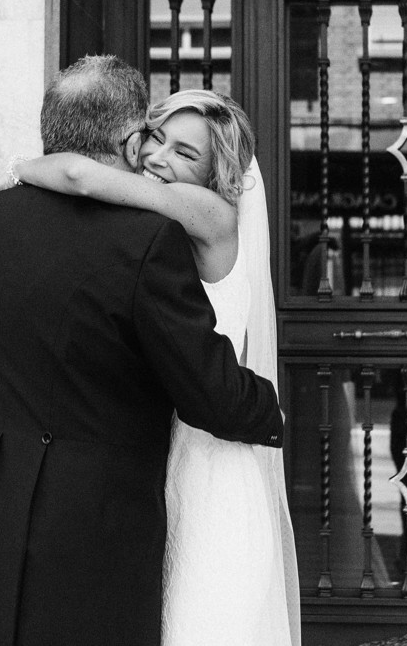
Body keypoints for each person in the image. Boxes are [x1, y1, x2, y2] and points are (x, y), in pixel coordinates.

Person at [0, 57, 284, 646]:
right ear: (133, 141)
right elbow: (209, 391)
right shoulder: (146, 242)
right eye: (156, 139)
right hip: (89, 555)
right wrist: (274, 410)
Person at [15, 88, 300, 645]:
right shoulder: (155, 227)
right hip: (159, 448)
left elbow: (80, 176)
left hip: (210, 456)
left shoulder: (212, 215)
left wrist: (17, 170)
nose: (157, 158)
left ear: (217, 176)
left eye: (184, 154)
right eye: (156, 138)